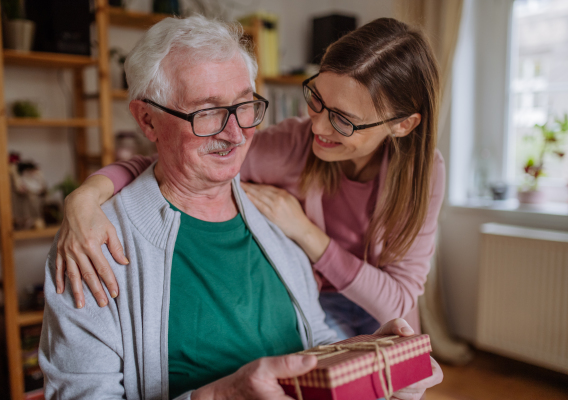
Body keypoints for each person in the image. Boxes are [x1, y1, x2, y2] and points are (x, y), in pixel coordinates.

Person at [40, 15, 442, 400]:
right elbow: (172, 164)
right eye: (208, 111)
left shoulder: (282, 229)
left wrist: (369, 362)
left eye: (245, 105)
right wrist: (86, 195)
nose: (236, 133)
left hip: (375, 305)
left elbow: (316, 344)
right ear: (147, 120)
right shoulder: (94, 245)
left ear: (402, 124)